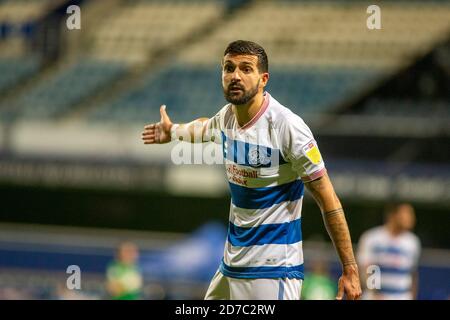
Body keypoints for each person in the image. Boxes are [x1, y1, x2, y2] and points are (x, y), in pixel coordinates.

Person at [141, 40, 361, 300]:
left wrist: (350, 268)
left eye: (246, 69)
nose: (235, 76)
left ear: (263, 78)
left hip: (273, 269)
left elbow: (329, 200)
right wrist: (173, 131)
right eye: (229, 68)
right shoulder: (228, 117)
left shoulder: (287, 127)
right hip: (232, 265)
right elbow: (205, 127)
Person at [357, 203, 421, 300]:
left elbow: (412, 273)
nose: (412, 218)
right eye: (407, 214)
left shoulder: (413, 242)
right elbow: (365, 268)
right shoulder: (371, 238)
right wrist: (374, 294)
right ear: (393, 215)